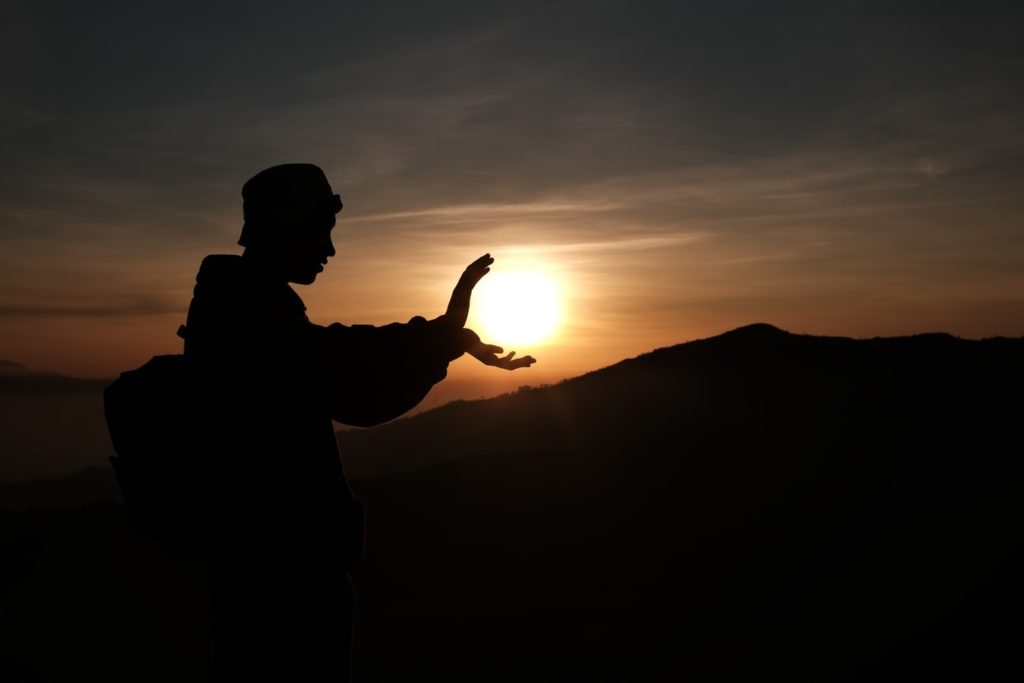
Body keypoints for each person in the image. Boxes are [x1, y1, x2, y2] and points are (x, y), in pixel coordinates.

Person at [178, 163, 534, 682]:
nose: (330, 248)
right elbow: (347, 381)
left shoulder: (242, 307)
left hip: (266, 570)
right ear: (285, 223)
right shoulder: (251, 318)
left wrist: (446, 334)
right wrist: (447, 333)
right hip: (283, 575)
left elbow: (338, 352)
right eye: (322, 228)